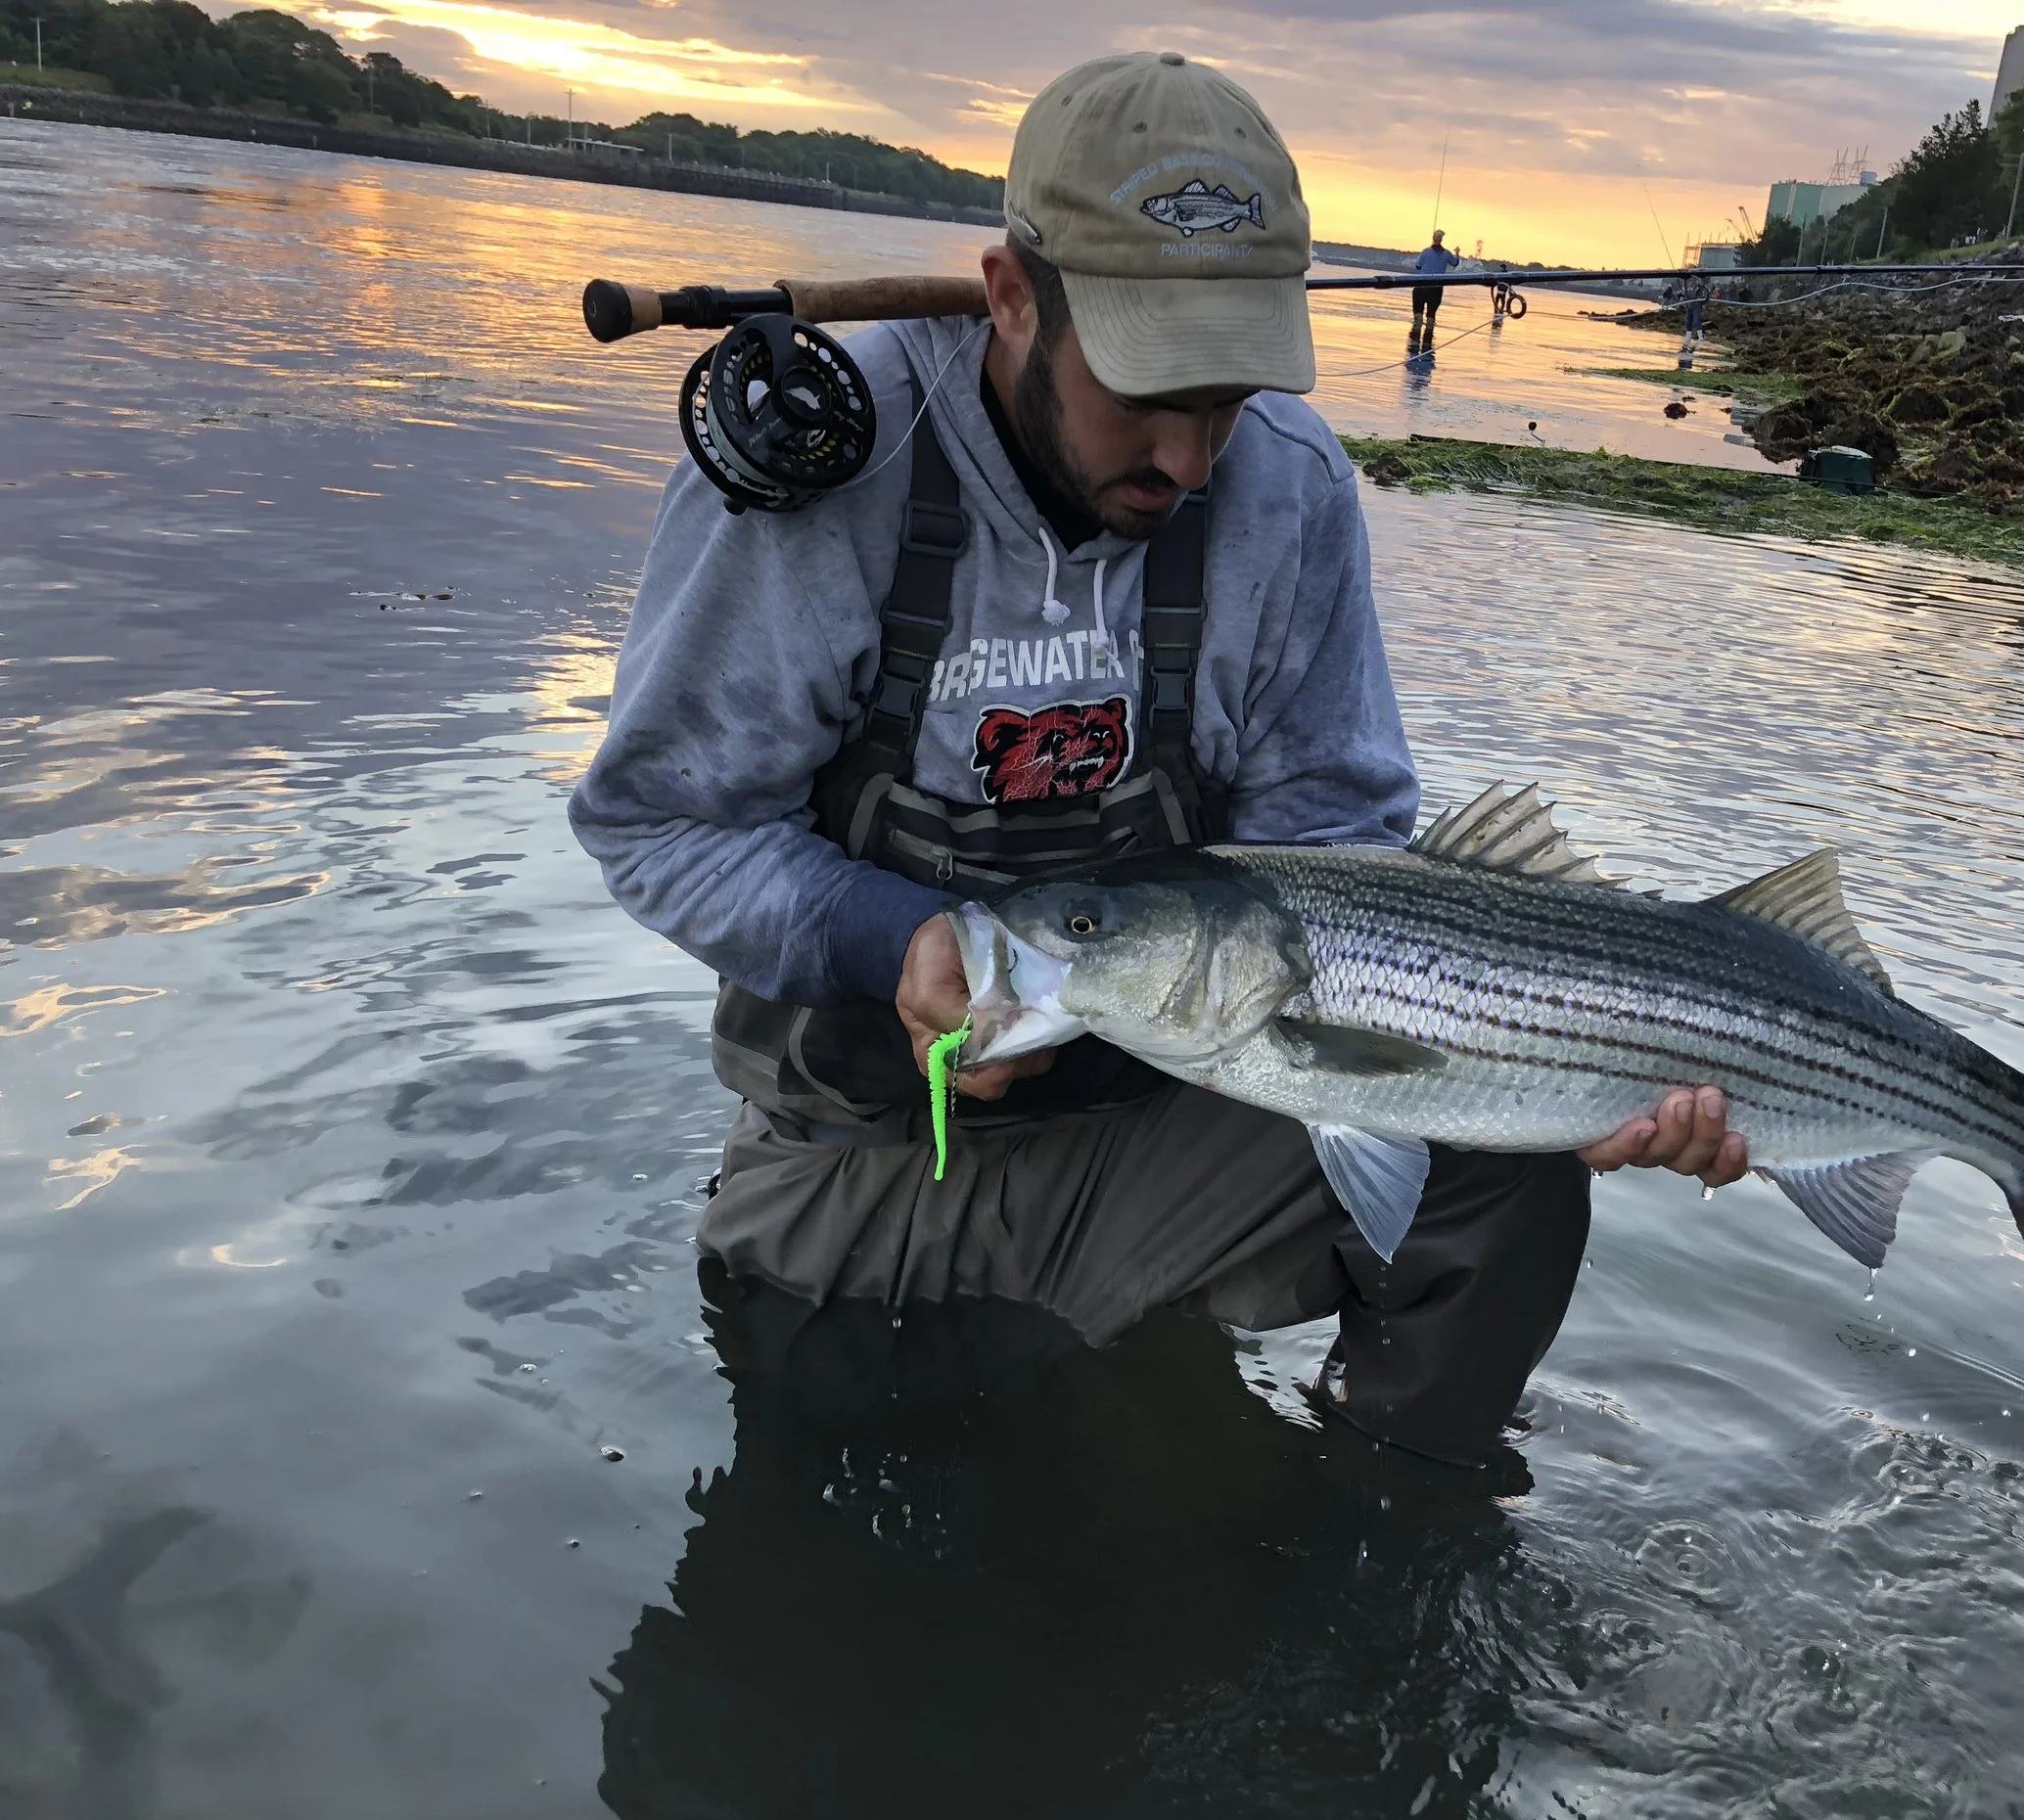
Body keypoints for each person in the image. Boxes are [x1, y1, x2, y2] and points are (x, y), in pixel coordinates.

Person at [571, 50, 1746, 1470]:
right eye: (1146, 394)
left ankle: (1377, 1538)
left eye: (1230, 397)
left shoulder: (1291, 489)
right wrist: (896, 939)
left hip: (1182, 1128)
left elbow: (1340, 841)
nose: (1192, 458)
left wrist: (1591, 1070)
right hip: (855, 1170)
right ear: (1012, 297)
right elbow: (656, 820)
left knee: (1507, 1172)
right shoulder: (835, 470)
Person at [1410, 227, 1459, 343]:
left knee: (1418, 315)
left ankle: (1414, 341)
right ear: (1441, 240)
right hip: (1437, 287)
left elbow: (1417, 266)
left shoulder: (1425, 251)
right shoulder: (1447, 254)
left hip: (1422, 285)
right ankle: (1427, 342)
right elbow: (1455, 263)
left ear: (1433, 239)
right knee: (1431, 316)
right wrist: (1457, 253)